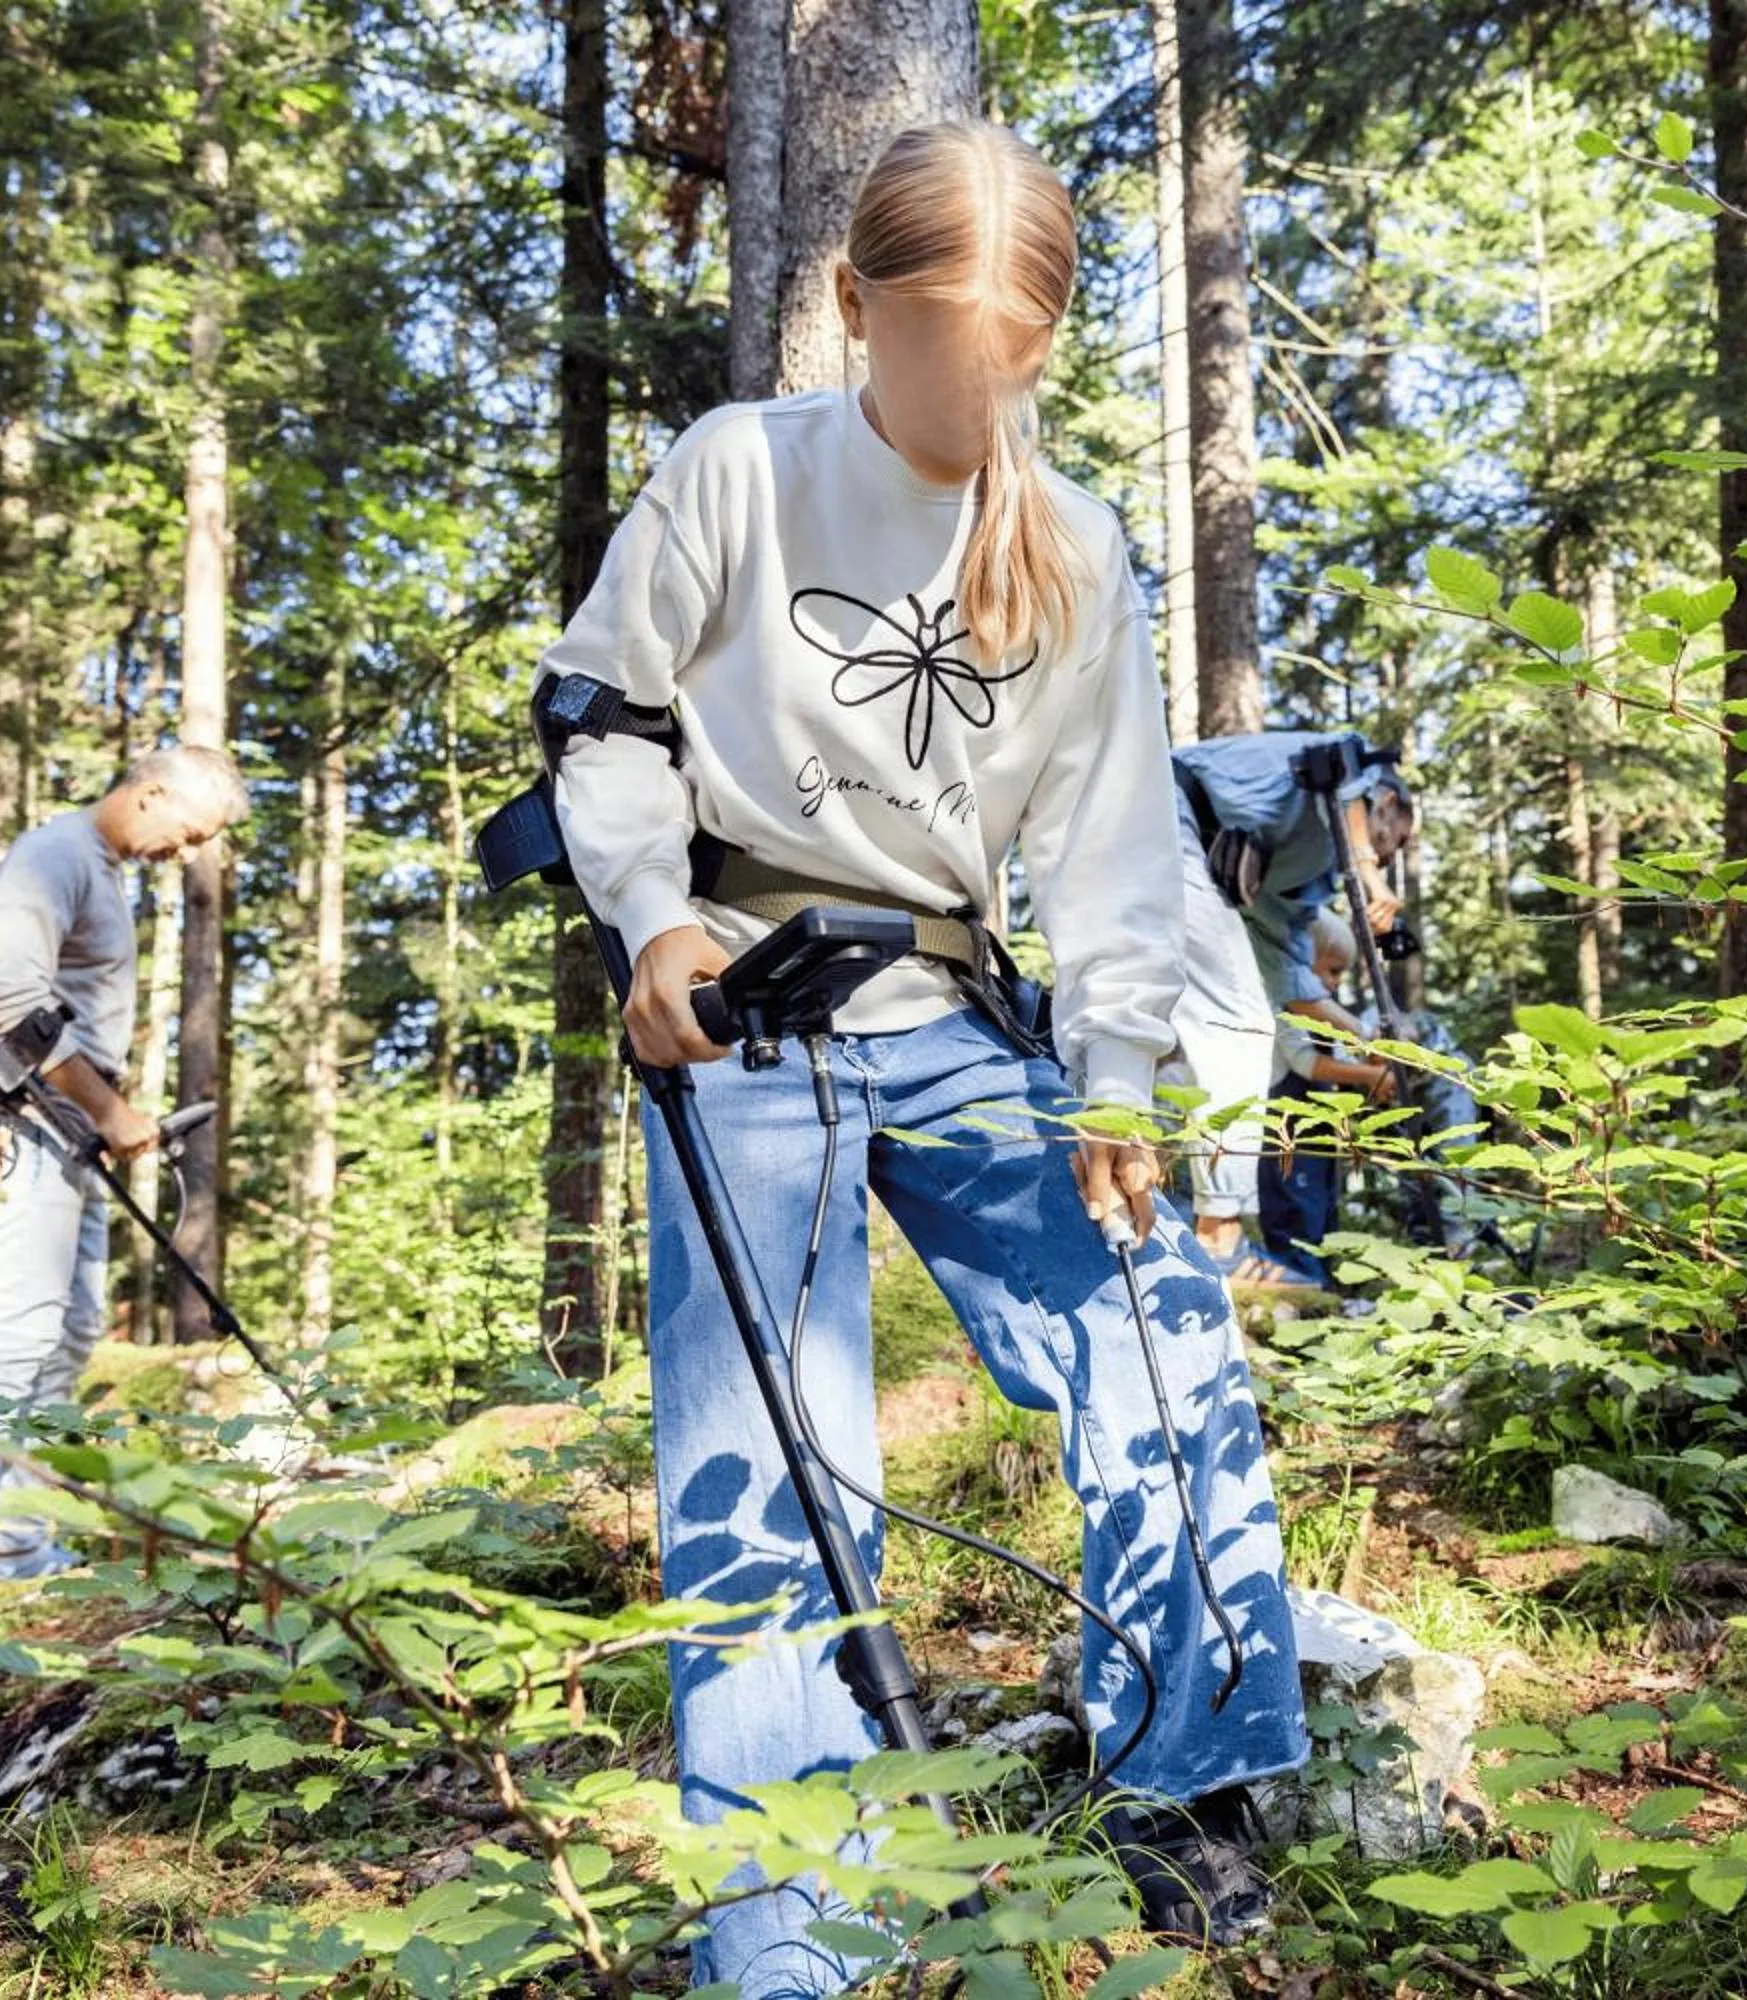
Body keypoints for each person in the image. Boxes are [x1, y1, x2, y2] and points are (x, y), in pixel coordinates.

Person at [541, 122, 1307, 1994]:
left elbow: (1117, 844)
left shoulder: (1078, 551)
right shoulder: (742, 470)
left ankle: (1188, 1776)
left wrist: (1119, 1074)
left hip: (957, 1014)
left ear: (1046, 347)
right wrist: (655, 921)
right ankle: (796, 1933)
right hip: (746, 1005)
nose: (976, 410)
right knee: (776, 1471)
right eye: (939, 364)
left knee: (1154, 1321)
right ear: (851, 304)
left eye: (1012, 374)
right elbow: (607, 715)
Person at [0, 745, 249, 1591]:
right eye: (190, 833)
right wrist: (111, 1112)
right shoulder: (53, 856)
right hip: (14, 1127)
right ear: (153, 793)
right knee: (11, 1339)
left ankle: (21, 1547)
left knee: (65, 1341)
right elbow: (5, 999)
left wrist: (104, 1117)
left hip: (69, 1141)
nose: (185, 853)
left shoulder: (102, 871)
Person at [1164, 729, 1414, 1279]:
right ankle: (1218, 1239)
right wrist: (1370, 873)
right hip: (1161, 808)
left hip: (1189, 855)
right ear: (1386, 803)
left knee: (1157, 1033)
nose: (1385, 856)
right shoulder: (1345, 774)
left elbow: (1290, 981)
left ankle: (1126, 1201)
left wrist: (1363, 1037)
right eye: (1389, 841)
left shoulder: (1297, 885)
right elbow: (1344, 768)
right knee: (1238, 1026)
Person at [1257, 914, 1395, 1284]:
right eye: (1332, 971)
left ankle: (1325, 1288)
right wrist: (1370, 1075)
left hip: (1319, 1133)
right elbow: (1306, 1063)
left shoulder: (1329, 1020)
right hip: (1290, 1129)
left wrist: (1369, 1067)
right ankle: (1299, 1284)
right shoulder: (1285, 1005)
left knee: (1321, 1211)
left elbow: (1341, 1060)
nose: (1335, 984)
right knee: (1295, 1212)